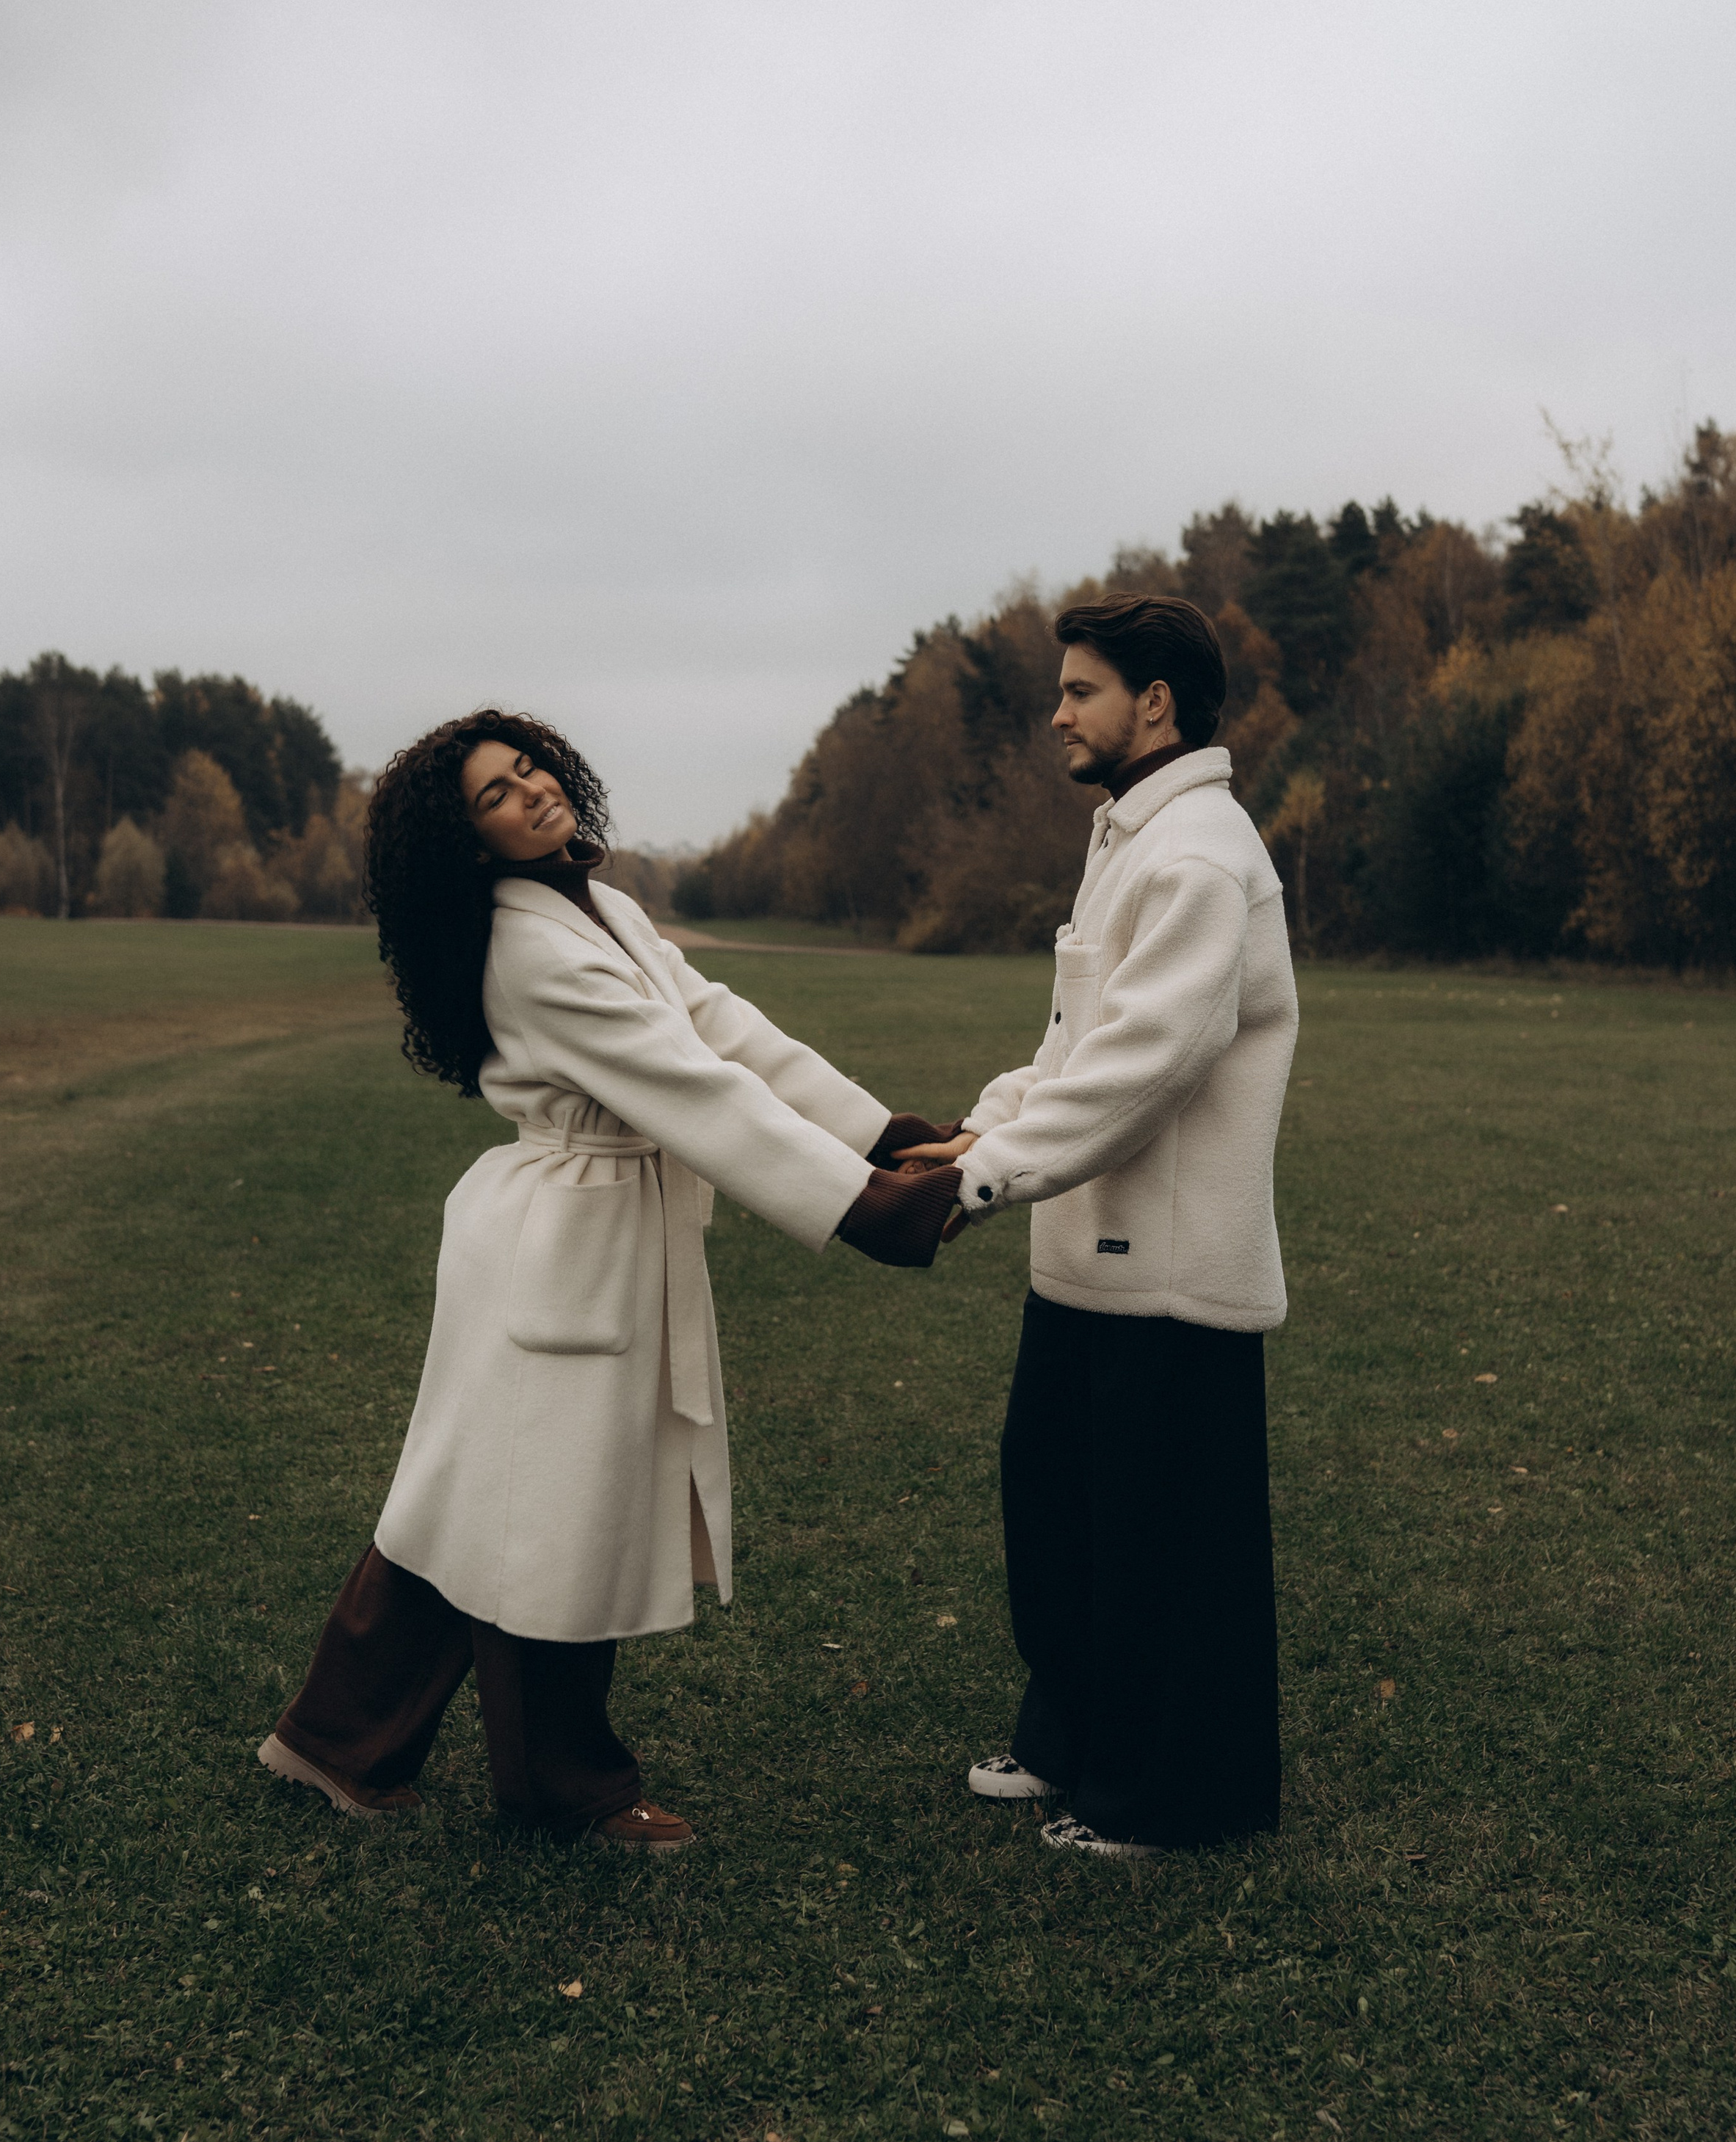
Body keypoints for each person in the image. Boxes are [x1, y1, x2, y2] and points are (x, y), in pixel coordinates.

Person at [258, 708, 960, 1848]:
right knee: (552, 1516)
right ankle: (563, 1789)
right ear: (468, 841)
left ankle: (332, 1741)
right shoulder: (528, 947)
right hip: (567, 1249)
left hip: (572, 1239)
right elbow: (693, 1089)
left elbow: (729, 1032)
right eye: (494, 796)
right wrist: (866, 1208)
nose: (530, 792)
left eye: (529, 768)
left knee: (468, 1494)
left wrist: (881, 1133)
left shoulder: (598, 906)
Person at [896, 594, 1298, 1859]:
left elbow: (1149, 1063)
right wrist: (980, 1133)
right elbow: (1076, 1045)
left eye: (1080, 690)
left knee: (1166, 1550)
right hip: (1085, 1263)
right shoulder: (1128, 835)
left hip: (1173, 1277)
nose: (1057, 710)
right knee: (1060, 1509)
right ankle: (1073, 1741)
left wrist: (980, 1183)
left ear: (1156, 705)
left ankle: (1174, 1805)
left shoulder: (1197, 854)